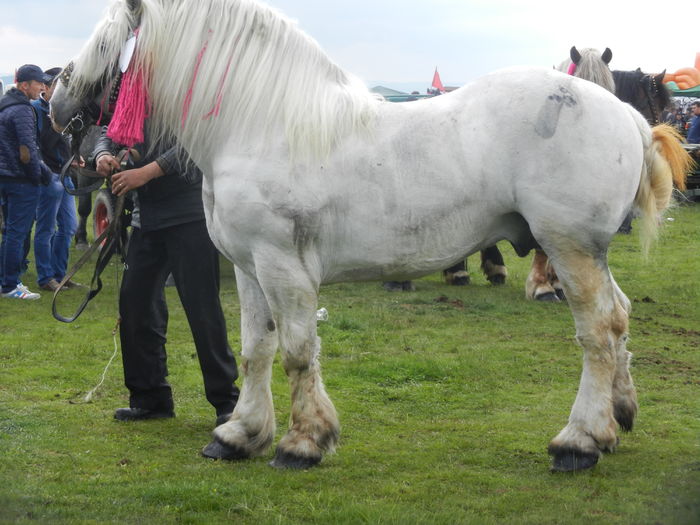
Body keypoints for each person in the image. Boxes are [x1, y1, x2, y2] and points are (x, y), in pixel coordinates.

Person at [93, 127, 239, 425]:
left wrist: (146, 172)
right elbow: (110, 130)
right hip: (146, 219)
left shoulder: (181, 91)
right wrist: (103, 153)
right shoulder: (133, 93)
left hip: (189, 216)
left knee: (202, 310)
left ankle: (227, 402)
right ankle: (150, 399)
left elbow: (196, 141)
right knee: (135, 306)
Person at [0, 64, 53, 300]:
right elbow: (27, 150)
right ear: (24, 85)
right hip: (21, 180)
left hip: (6, 177)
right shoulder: (22, 109)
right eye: (38, 83)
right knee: (17, 234)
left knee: (10, 232)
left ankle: (5, 281)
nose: (42, 86)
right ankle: (10, 285)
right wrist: (40, 175)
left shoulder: (5, 106)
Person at [31, 67, 80, 291]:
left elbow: (67, 140)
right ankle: (46, 277)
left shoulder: (65, 110)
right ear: (47, 87)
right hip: (48, 176)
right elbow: (33, 145)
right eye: (58, 87)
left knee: (69, 226)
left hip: (64, 174)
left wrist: (73, 156)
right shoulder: (34, 110)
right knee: (46, 228)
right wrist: (46, 174)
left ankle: (60, 275)